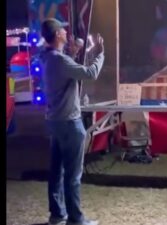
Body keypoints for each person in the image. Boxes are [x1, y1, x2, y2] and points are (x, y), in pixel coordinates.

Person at [39, 18, 104, 225]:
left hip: (55, 121)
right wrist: (101, 53)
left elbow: (65, 71)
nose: (67, 33)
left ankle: (57, 215)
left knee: (56, 170)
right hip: (69, 122)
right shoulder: (59, 60)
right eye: (63, 31)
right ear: (57, 34)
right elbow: (90, 73)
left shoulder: (48, 57)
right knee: (73, 175)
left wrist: (74, 53)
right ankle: (76, 219)